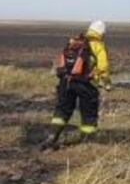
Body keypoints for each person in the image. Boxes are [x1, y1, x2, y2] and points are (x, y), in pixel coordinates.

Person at [41, 20, 112, 150]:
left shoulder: (74, 42)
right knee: (89, 113)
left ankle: (52, 137)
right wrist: (105, 83)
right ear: (102, 32)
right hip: (86, 84)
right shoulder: (97, 45)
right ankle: (87, 143)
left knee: (62, 111)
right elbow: (103, 67)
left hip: (66, 82)